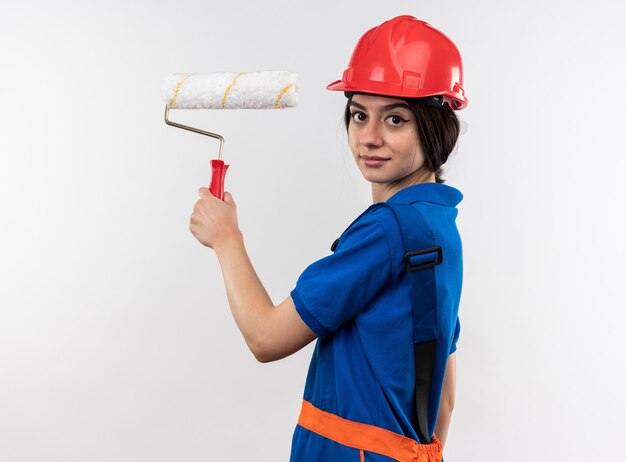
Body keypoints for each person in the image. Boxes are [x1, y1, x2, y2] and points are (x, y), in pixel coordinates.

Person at [189, 15, 468, 462]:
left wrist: (226, 239)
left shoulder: (385, 231)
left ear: (437, 128)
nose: (368, 138)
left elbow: (266, 338)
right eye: (359, 114)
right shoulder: (439, 224)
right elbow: (444, 398)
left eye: (395, 119)